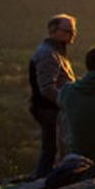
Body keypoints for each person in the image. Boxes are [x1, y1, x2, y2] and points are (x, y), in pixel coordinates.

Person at [28, 13, 77, 177]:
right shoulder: (48, 54)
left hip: (52, 108)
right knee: (53, 148)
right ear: (53, 31)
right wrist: (67, 103)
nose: (72, 34)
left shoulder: (56, 52)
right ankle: (44, 180)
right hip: (50, 109)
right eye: (68, 31)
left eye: (73, 31)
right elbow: (47, 88)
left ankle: (44, 178)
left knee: (52, 148)